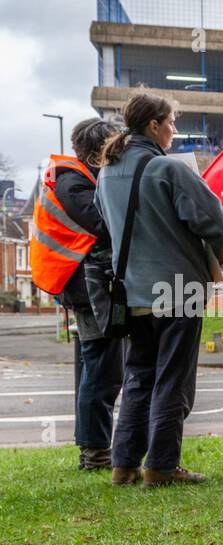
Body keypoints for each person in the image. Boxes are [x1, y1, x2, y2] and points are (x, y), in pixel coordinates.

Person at [95, 92, 223, 487]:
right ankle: (162, 466)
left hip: (131, 292)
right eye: (171, 122)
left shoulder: (106, 173)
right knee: (173, 378)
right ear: (154, 125)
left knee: (138, 375)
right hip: (178, 289)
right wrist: (209, 261)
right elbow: (215, 221)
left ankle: (124, 464)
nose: (174, 130)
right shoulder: (168, 169)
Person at [30, 118, 122, 470]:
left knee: (95, 367)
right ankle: (96, 453)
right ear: (101, 151)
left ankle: (92, 449)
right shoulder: (72, 181)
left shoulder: (73, 177)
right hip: (87, 288)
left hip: (85, 284)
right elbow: (103, 222)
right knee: (102, 370)